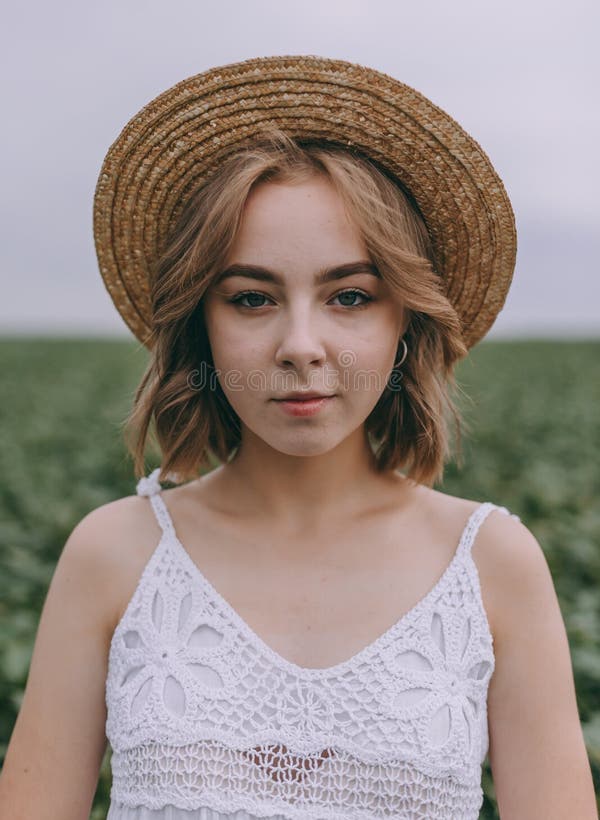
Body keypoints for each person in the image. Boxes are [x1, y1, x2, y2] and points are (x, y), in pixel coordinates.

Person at [0, 56, 596, 820]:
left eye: (350, 296)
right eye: (251, 298)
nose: (301, 344)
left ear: (404, 322)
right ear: (201, 328)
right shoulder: (113, 555)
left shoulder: (490, 565)